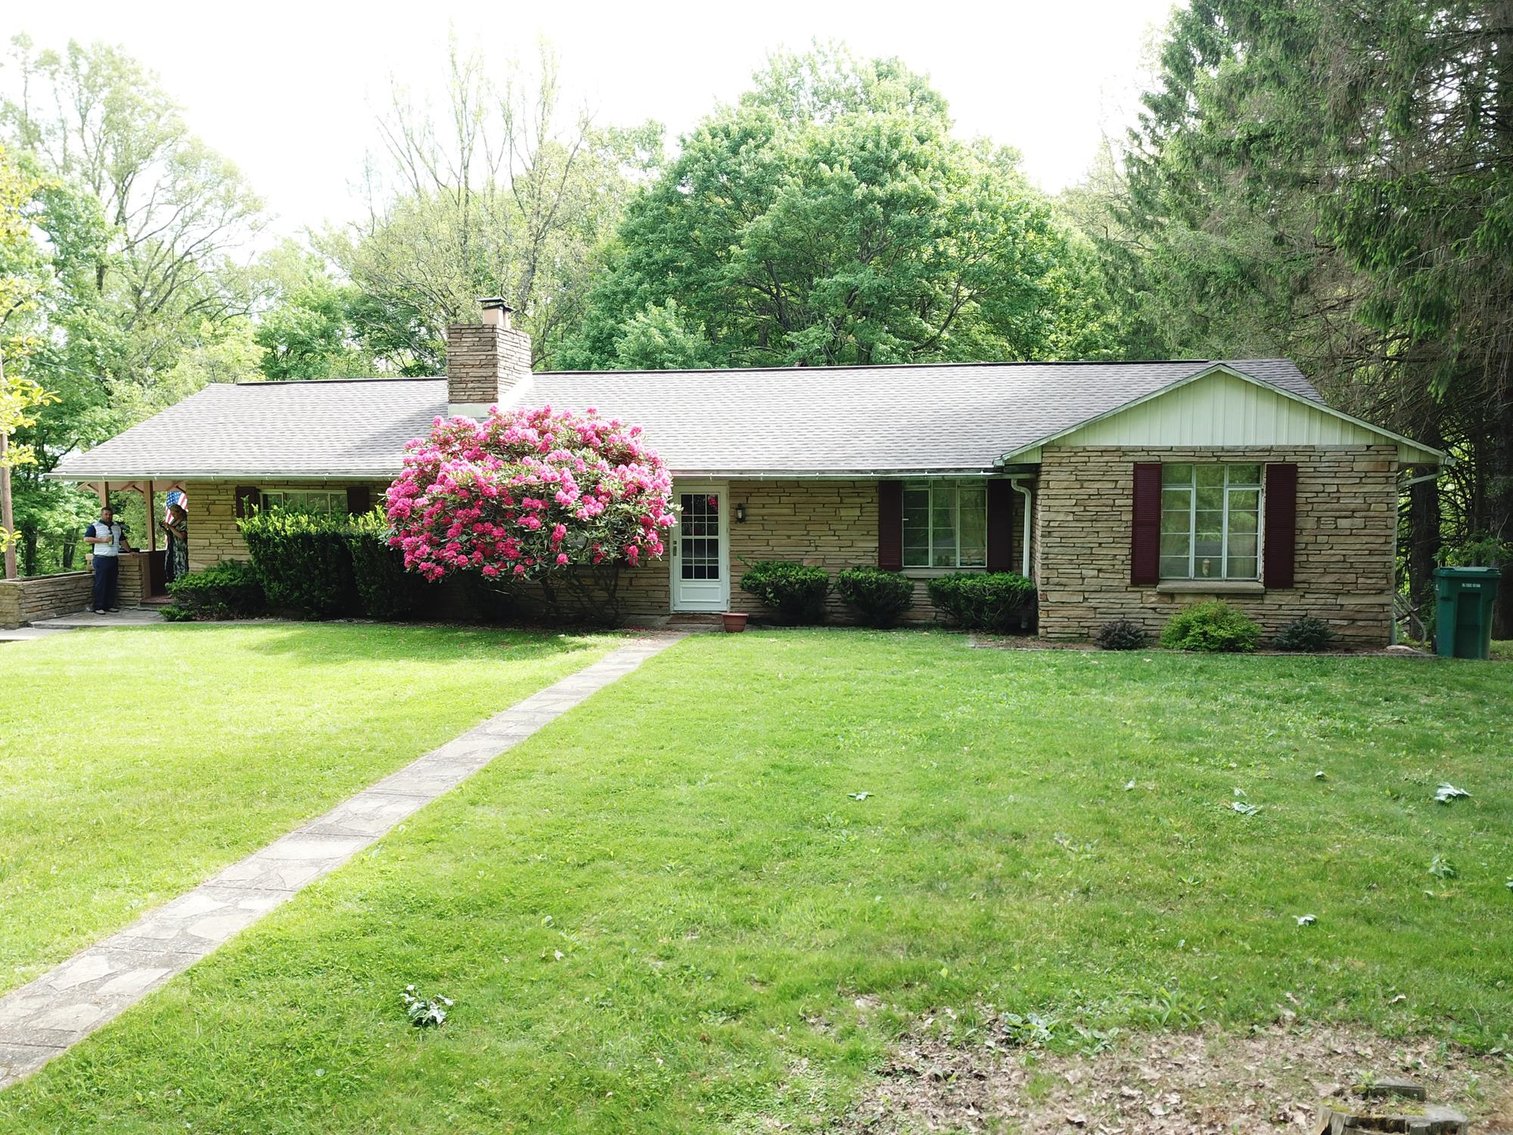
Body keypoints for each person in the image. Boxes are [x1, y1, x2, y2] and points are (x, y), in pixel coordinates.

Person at [84, 505, 130, 614]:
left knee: (112, 583)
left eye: (110, 514)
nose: (108, 516)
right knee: (101, 583)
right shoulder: (95, 526)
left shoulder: (116, 527)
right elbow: (86, 539)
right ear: (102, 515)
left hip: (113, 558)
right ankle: (98, 606)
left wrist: (130, 551)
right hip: (101, 558)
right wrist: (101, 540)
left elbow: (122, 540)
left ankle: (110, 605)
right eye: (106, 514)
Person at [162, 501, 189, 585]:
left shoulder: (184, 522)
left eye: (174, 513)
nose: (173, 515)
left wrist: (170, 527)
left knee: (180, 568)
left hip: (180, 549)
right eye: (171, 514)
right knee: (170, 568)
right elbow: (172, 534)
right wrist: (165, 528)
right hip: (172, 547)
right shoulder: (174, 521)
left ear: (179, 512)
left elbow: (182, 536)